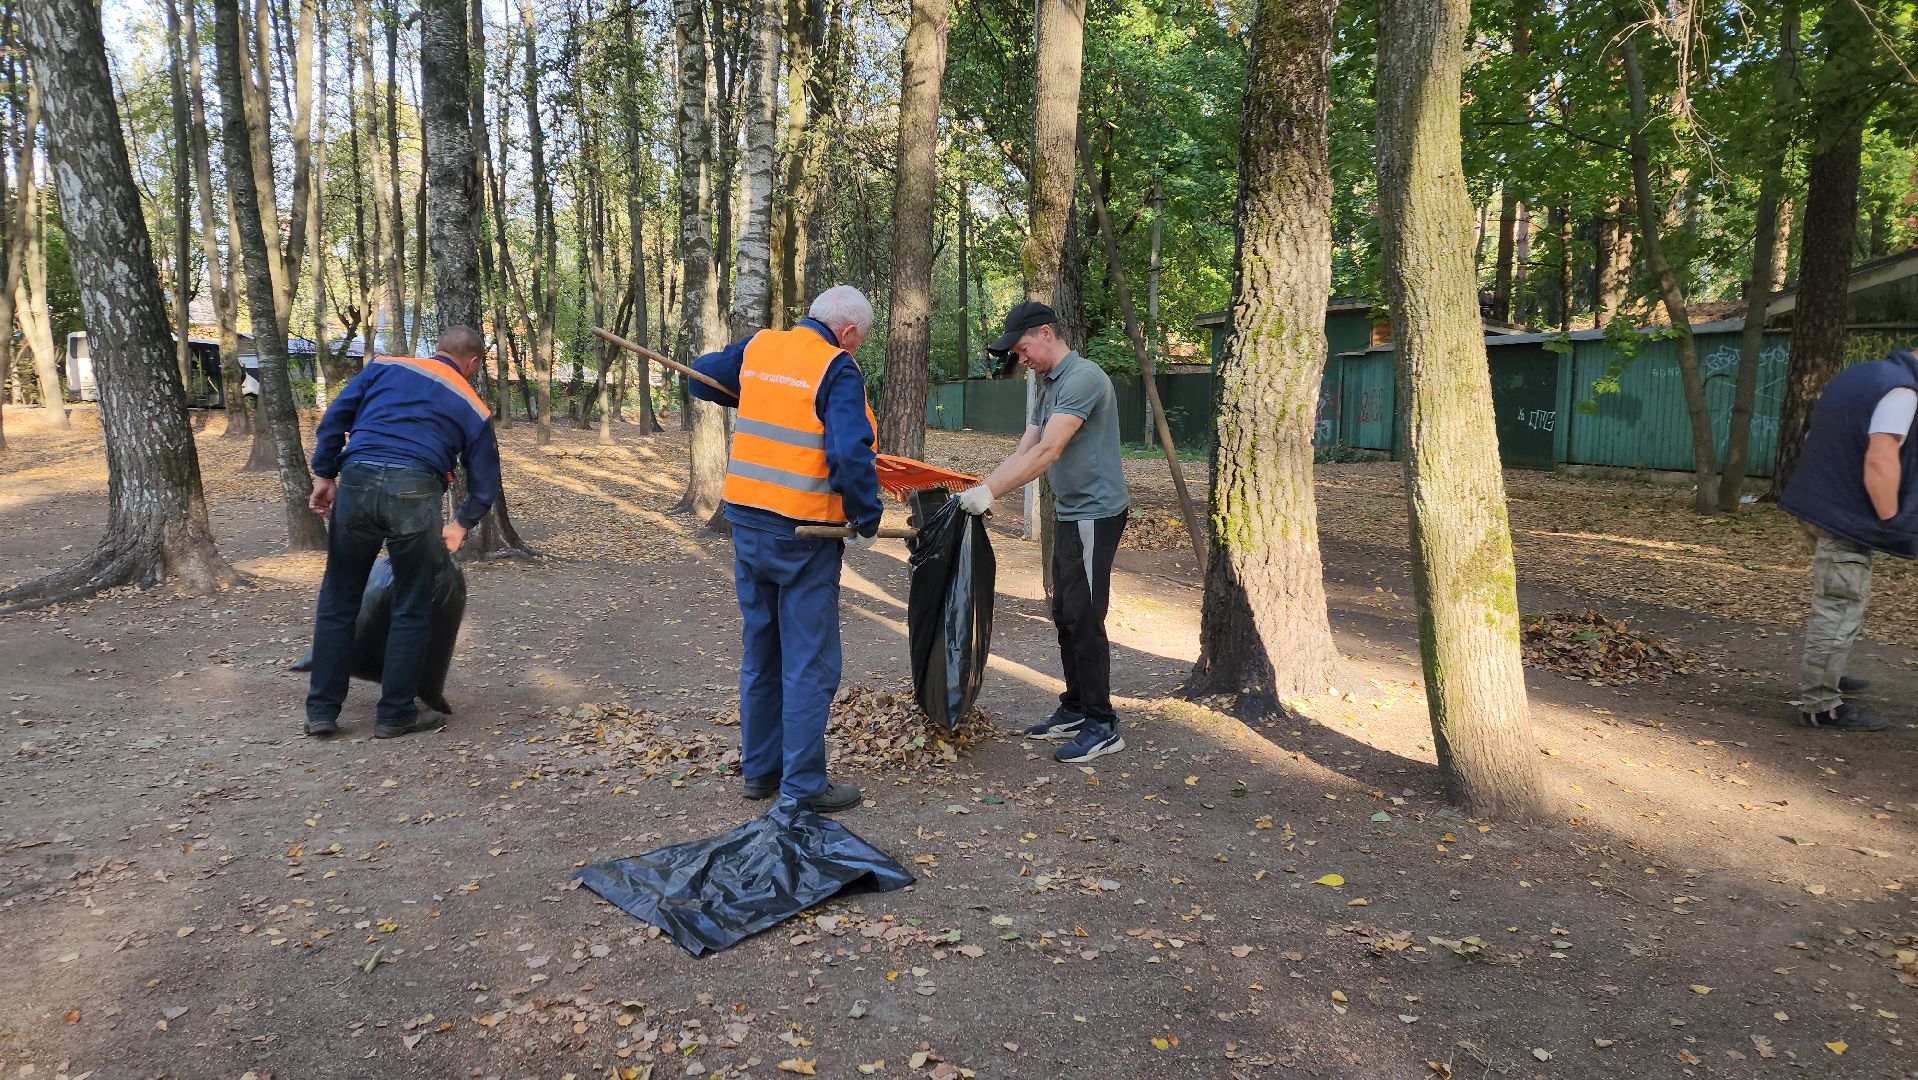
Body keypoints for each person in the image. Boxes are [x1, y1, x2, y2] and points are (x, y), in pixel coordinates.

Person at [689, 285, 883, 813]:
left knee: (762, 651)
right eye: (859, 340)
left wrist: (752, 392)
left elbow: (700, 377)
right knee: (809, 663)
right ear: (847, 332)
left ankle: (760, 772)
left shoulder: (760, 347)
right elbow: (849, 453)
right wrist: (866, 518)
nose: (856, 349)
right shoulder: (836, 368)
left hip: (747, 527)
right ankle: (802, 785)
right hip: (803, 536)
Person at [302, 326, 500, 739]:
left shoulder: (384, 367)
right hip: (415, 491)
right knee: (412, 604)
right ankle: (394, 714)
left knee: (338, 599)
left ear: (437, 349)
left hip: (357, 482)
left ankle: (321, 710)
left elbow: (336, 417)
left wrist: (324, 473)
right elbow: (485, 485)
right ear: (473, 363)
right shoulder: (474, 406)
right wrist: (461, 524)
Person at [958, 301, 1131, 763]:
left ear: (1046, 334)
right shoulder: (1048, 384)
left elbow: (1050, 451)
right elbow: (1026, 449)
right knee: (1064, 612)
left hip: (1095, 514)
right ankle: (1075, 707)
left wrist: (990, 493)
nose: (1021, 359)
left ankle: (1102, 724)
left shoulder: (1083, 378)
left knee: (1085, 616)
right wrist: (983, 489)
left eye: (1022, 348)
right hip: (1070, 513)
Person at [1777, 347, 1918, 732]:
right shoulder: (1902, 392)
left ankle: (1830, 673)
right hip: (1844, 516)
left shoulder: (1865, 374)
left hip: (1816, 504)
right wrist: (1890, 520)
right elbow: (1880, 459)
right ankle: (1821, 706)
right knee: (1840, 606)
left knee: (1842, 599)